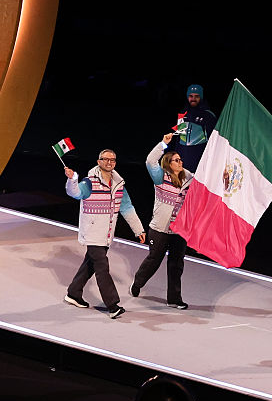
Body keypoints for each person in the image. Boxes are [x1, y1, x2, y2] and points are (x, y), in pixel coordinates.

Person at [63, 149, 146, 319]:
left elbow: (127, 207)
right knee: (102, 266)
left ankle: (73, 293)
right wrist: (72, 179)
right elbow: (75, 193)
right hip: (93, 232)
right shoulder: (89, 182)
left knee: (90, 264)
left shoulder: (118, 184)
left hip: (106, 234)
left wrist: (139, 230)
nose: (109, 162)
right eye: (105, 159)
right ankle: (112, 305)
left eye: (113, 160)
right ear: (98, 161)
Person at [129, 133, 194, 309]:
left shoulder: (189, 180)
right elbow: (150, 161)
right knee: (154, 260)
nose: (180, 162)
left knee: (176, 264)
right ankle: (137, 283)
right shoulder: (160, 177)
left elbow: (206, 183)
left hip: (179, 230)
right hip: (159, 229)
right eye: (176, 160)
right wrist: (163, 143)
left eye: (180, 160)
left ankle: (174, 299)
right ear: (168, 163)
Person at [173, 84, 217, 172]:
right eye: (191, 96)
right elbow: (179, 136)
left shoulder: (208, 115)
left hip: (199, 154)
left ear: (201, 97)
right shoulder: (183, 113)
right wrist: (175, 154)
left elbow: (213, 140)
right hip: (183, 153)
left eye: (196, 96)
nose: (193, 99)